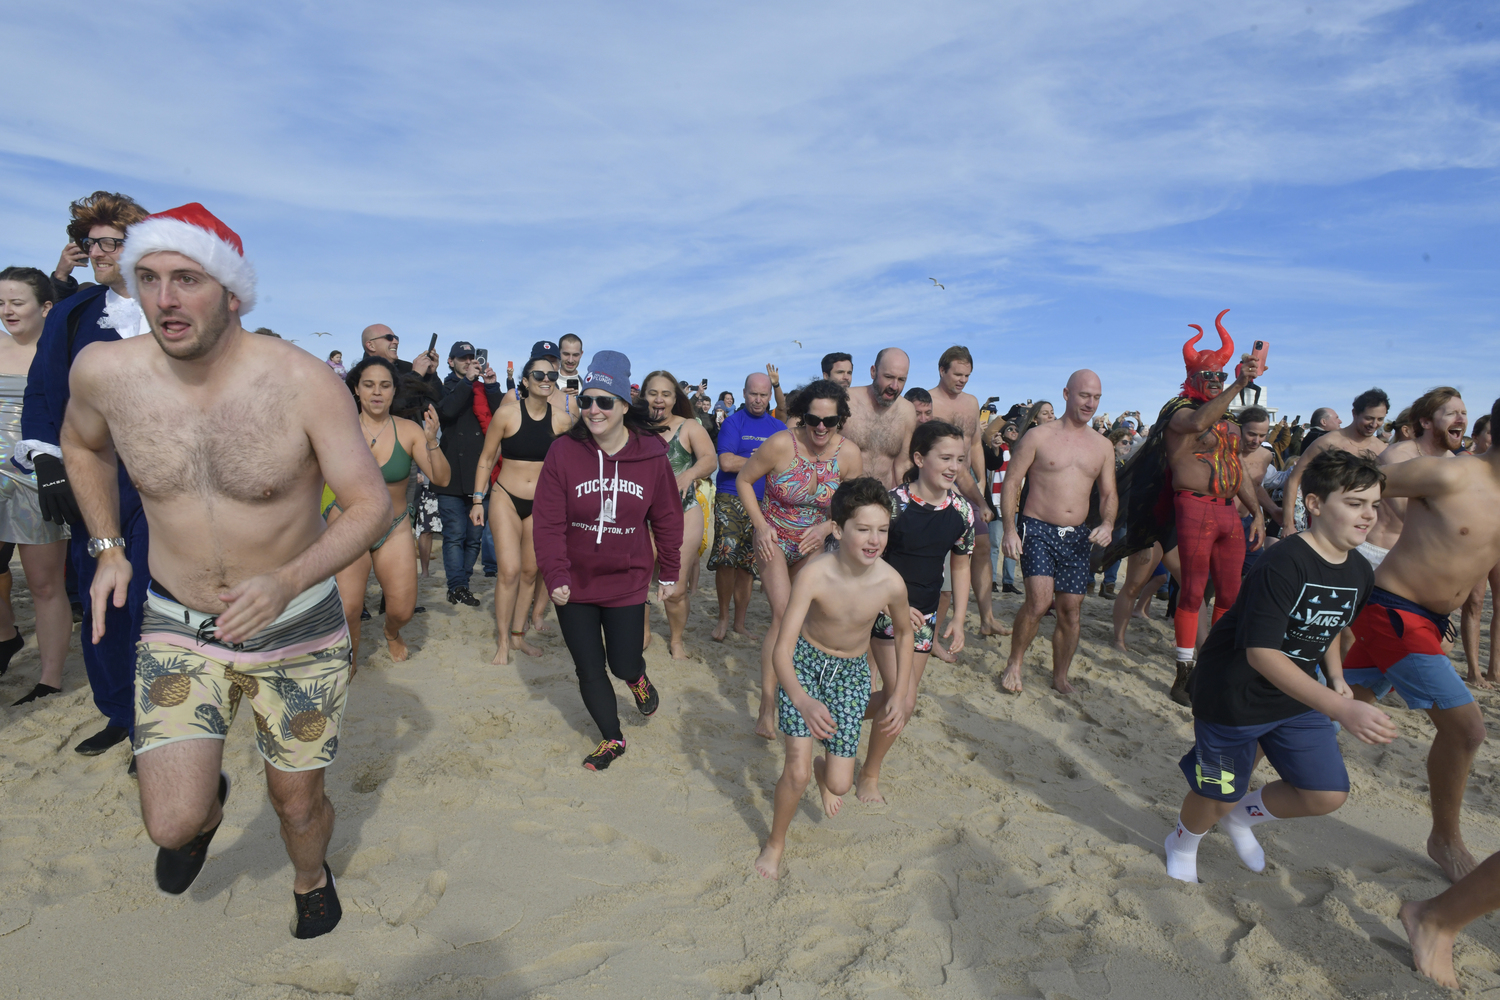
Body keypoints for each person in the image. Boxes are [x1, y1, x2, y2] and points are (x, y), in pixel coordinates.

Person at [63, 202, 390, 935]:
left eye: (187, 279)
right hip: (177, 620)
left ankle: (310, 877)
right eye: (148, 278)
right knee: (170, 825)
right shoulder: (106, 373)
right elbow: (82, 448)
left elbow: (370, 506)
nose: (165, 300)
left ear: (233, 294)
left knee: (295, 802)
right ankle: (204, 804)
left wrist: (285, 580)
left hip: (296, 623)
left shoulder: (303, 382)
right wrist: (108, 547)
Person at [1163, 449, 1394, 884]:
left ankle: (1242, 819)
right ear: (1315, 504)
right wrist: (1341, 707)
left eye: (1374, 505)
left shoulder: (1360, 570)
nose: (1368, 516)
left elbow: (1327, 628)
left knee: (1324, 792)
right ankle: (1183, 840)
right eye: (1355, 503)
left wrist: (1338, 678)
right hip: (1231, 695)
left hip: (1293, 694)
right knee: (1214, 791)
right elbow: (1261, 654)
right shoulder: (1284, 562)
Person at [1342, 397, 1500, 883]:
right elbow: (1352, 482)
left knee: (1334, 701)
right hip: (1393, 610)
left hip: (1428, 621)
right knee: (1466, 730)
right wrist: (1337, 547)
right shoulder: (1452, 475)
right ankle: (1445, 840)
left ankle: (1227, 777)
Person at [20, 189, 150, 760]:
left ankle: (169, 713)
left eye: (108, 242)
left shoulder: (175, 307)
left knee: (161, 593)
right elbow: (44, 389)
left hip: (173, 477)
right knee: (107, 594)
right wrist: (48, 462)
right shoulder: (73, 313)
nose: (95, 251)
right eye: (89, 242)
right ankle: (121, 711)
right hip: (97, 476)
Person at [532, 351, 683, 771]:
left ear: (622, 405)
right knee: (588, 666)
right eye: (586, 401)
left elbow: (667, 517)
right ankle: (612, 738)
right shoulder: (564, 452)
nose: (593, 410)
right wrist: (555, 572)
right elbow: (546, 521)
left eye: (604, 402)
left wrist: (668, 571)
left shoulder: (652, 454)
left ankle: (636, 678)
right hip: (574, 582)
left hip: (627, 579)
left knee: (622, 661)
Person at [754, 477, 912, 879]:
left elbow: (905, 632)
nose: (874, 539)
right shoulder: (814, 574)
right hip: (804, 666)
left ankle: (828, 776)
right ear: (839, 530)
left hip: (851, 674)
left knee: (842, 784)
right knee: (796, 770)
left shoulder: (891, 582)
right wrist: (802, 700)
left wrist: (898, 691)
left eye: (882, 530)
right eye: (863, 529)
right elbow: (782, 649)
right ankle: (775, 844)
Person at [857, 422, 975, 804]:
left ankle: (840, 709)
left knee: (903, 700)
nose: (954, 466)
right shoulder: (892, 505)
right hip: (883, 610)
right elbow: (867, 558)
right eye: (945, 457)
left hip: (924, 616)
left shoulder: (961, 511)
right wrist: (894, 603)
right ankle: (869, 776)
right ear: (920, 459)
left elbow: (960, 563)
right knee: (899, 699)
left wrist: (957, 617)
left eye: (959, 459)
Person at [739, 380, 864, 738]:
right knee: (782, 614)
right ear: (801, 416)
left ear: (841, 419)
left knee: (803, 617)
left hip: (815, 544)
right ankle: (767, 706)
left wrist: (827, 527)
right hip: (774, 537)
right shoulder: (782, 444)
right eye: (813, 419)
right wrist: (761, 526)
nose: (821, 428)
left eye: (830, 420)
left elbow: (852, 505)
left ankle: (799, 689)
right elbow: (746, 481)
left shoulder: (849, 455)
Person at [1160, 313, 1264, 702]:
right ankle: (1183, 672)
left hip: (1227, 511)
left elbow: (1238, 471)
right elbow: (1200, 419)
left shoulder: (1230, 424)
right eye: (1211, 378)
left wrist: (1256, 513)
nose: (1217, 383)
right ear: (1193, 379)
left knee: (1231, 595)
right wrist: (1240, 382)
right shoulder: (1180, 412)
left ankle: (1211, 666)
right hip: (1194, 507)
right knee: (1193, 591)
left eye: (1221, 377)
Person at [1000, 371, 1116, 694]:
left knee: (1071, 610)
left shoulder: (1103, 446)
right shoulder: (1039, 437)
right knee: (1039, 602)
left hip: (1077, 535)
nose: (1090, 404)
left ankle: (1060, 676)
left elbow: (1108, 494)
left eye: (1096, 398)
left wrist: (1107, 523)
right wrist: (1010, 529)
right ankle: (1015, 662)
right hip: (1036, 528)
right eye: (1084, 396)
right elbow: (1012, 482)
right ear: (1067, 394)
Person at [329, 357, 449, 665]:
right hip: (347, 521)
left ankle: (392, 632)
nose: (377, 392)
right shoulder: (336, 428)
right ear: (356, 389)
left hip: (393, 525)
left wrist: (432, 442)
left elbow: (441, 478)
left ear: (395, 391)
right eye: (368, 385)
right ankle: (352, 657)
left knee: (402, 610)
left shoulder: (409, 430)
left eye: (384, 385)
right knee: (349, 607)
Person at [471, 346, 575, 664]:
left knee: (530, 572)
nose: (546, 380)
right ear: (526, 380)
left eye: (552, 375)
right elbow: (487, 459)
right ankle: (502, 641)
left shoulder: (563, 421)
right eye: (539, 375)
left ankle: (518, 637)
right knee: (510, 570)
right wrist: (478, 499)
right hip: (505, 497)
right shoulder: (507, 413)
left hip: (541, 504)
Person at [0, 268, 72, 704]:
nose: (6, 311)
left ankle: (49, 679)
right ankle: (8, 635)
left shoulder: (60, 356)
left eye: (16, 302)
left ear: (46, 307)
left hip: (38, 478)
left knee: (45, 584)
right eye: (1, 303)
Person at [927, 346, 1005, 642]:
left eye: (967, 375)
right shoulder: (928, 401)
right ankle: (934, 627)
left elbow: (973, 445)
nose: (962, 380)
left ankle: (986, 618)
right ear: (942, 370)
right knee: (946, 557)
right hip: (940, 484)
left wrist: (981, 484)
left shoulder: (972, 403)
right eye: (957, 374)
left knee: (982, 546)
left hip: (968, 481)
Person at [641, 370, 717, 659]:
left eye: (666, 393)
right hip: (641, 517)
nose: (659, 399)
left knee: (675, 588)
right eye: (653, 393)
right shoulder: (633, 426)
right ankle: (644, 632)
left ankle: (675, 640)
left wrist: (689, 475)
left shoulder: (689, 427)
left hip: (682, 512)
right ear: (643, 396)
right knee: (639, 581)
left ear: (675, 398)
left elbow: (710, 460)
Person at [707, 373, 784, 641]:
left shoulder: (777, 427)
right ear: (744, 393)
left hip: (765, 501)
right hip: (730, 496)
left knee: (749, 564)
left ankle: (739, 622)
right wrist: (765, 462)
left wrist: (751, 460)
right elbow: (726, 463)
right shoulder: (732, 423)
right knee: (727, 558)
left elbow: (785, 465)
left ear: (770, 396)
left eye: (764, 395)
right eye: (753, 394)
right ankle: (723, 618)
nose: (758, 399)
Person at [433, 340, 501, 606]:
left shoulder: (483, 388)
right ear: (451, 361)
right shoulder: (445, 386)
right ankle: (457, 585)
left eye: (472, 358)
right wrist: (468, 382)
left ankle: (463, 584)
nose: (468, 362)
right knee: (454, 534)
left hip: (479, 474)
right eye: (462, 358)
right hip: (450, 473)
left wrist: (492, 384)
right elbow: (446, 411)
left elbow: (501, 415)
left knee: (474, 538)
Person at [1281, 388, 1389, 540]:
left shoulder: (1383, 450)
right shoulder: (1328, 442)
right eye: (1369, 418)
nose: (1374, 424)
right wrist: (1288, 524)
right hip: (1328, 527)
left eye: (1380, 419)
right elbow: (1294, 479)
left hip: (1366, 530)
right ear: (1355, 413)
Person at [843, 348, 917, 488]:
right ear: (873, 372)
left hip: (884, 500)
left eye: (901, 380)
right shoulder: (846, 401)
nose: (894, 386)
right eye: (889, 377)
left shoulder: (907, 411)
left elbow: (903, 464)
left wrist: (904, 503)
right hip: (844, 499)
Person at [358, 323, 440, 393]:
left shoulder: (408, 368)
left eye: (396, 338)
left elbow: (439, 403)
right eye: (389, 337)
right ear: (371, 346)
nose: (396, 342)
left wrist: (430, 375)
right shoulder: (358, 375)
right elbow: (393, 405)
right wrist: (415, 376)